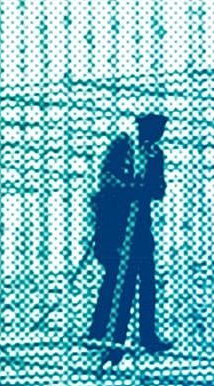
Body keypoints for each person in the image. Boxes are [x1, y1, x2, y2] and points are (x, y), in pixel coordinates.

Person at [87, 113, 175, 365]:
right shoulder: (122, 145)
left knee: (146, 280)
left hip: (140, 229)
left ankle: (147, 336)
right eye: (155, 130)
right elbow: (106, 180)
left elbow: (159, 189)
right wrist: (133, 188)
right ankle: (110, 339)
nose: (158, 136)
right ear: (142, 128)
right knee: (120, 283)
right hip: (113, 228)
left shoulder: (155, 155)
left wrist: (143, 188)